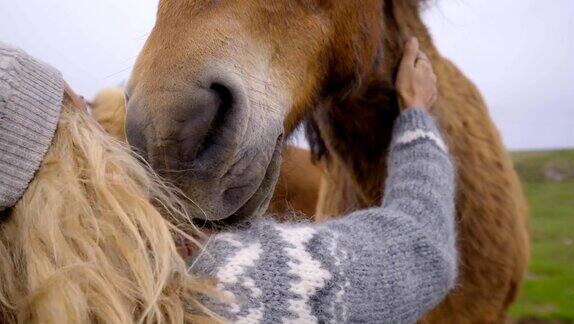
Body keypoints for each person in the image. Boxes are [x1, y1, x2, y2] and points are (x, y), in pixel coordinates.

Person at [0, 37, 455, 323]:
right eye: (79, 104)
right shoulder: (195, 290)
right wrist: (415, 116)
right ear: (68, 153)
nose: (99, 114)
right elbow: (423, 249)